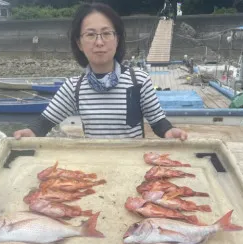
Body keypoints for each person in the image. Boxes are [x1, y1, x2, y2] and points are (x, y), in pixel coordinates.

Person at [14, 3, 187, 141]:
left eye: (106, 33)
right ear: (79, 43)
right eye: (90, 35)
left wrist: (170, 131)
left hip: (133, 166)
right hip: (95, 167)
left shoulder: (138, 80)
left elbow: (158, 122)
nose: (99, 42)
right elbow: (44, 123)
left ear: (117, 39)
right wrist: (31, 131)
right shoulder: (74, 87)